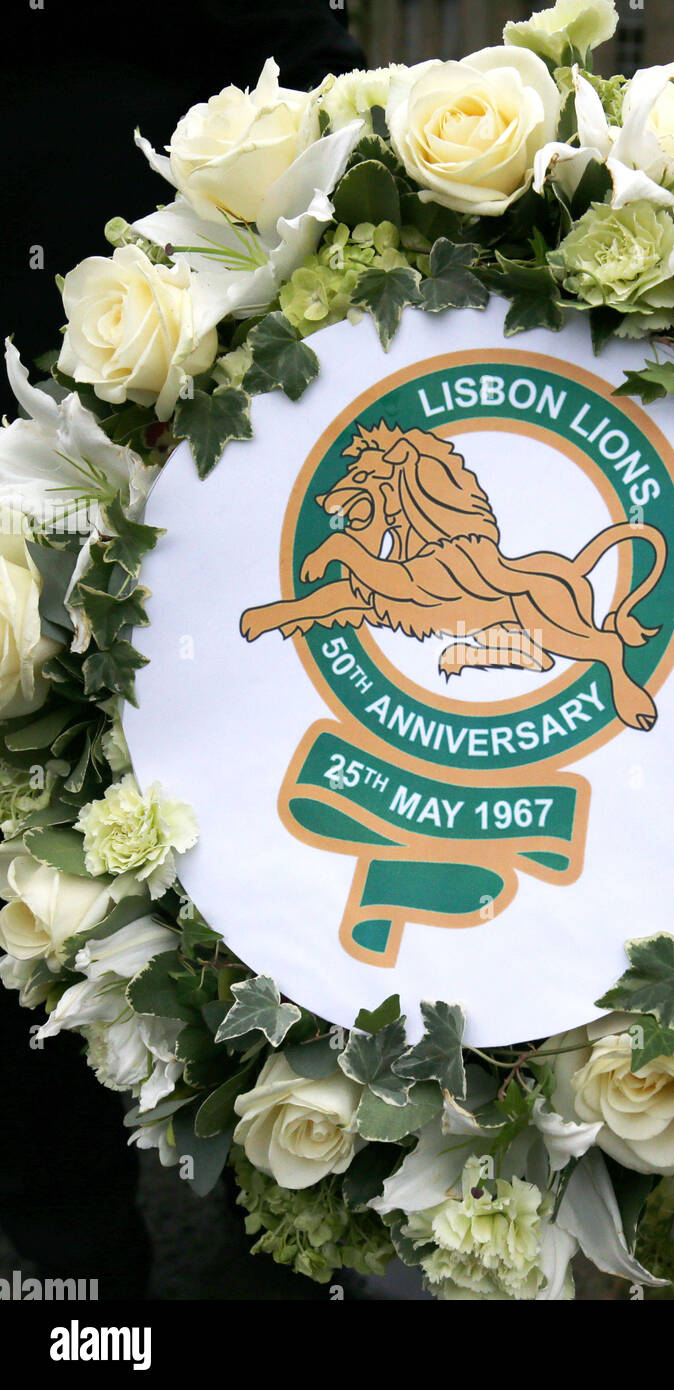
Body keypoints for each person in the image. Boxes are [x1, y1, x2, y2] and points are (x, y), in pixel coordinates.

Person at [0, 0, 366, 1298]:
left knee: (255, 841)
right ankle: (100, 1255)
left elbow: (309, 59)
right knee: (52, 865)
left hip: (214, 301)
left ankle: (259, 1221)